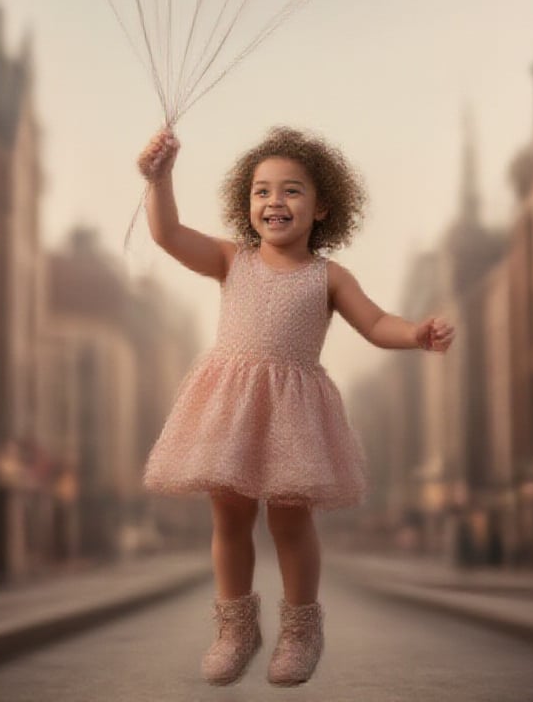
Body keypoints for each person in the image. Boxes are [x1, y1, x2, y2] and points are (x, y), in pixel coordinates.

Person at [137, 124, 454, 687]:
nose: (274, 202)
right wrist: (159, 180)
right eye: (261, 191)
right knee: (229, 515)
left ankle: (301, 630)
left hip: (294, 410)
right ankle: (235, 629)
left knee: (290, 518)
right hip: (229, 404)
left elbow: (377, 323)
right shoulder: (230, 259)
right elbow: (166, 234)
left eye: (291, 190)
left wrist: (416, 333)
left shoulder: (328, 276)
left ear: (323, 206)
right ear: (247, 204)